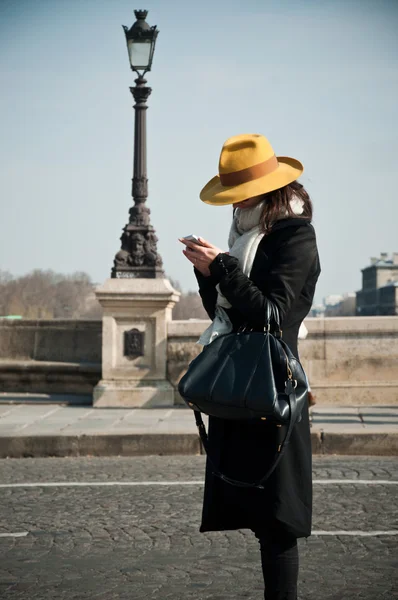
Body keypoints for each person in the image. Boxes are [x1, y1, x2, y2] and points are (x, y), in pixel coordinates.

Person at [179, 133, 321, 600]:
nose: (234, 204)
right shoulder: (241, 237)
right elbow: (229, 315)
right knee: (259, 517)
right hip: (242, 386)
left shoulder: (294, 235)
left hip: (274, 389)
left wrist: (223, 269)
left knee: (279, 524)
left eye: (239, 193)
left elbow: (275, 314)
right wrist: (208, 276)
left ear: (267, 189)